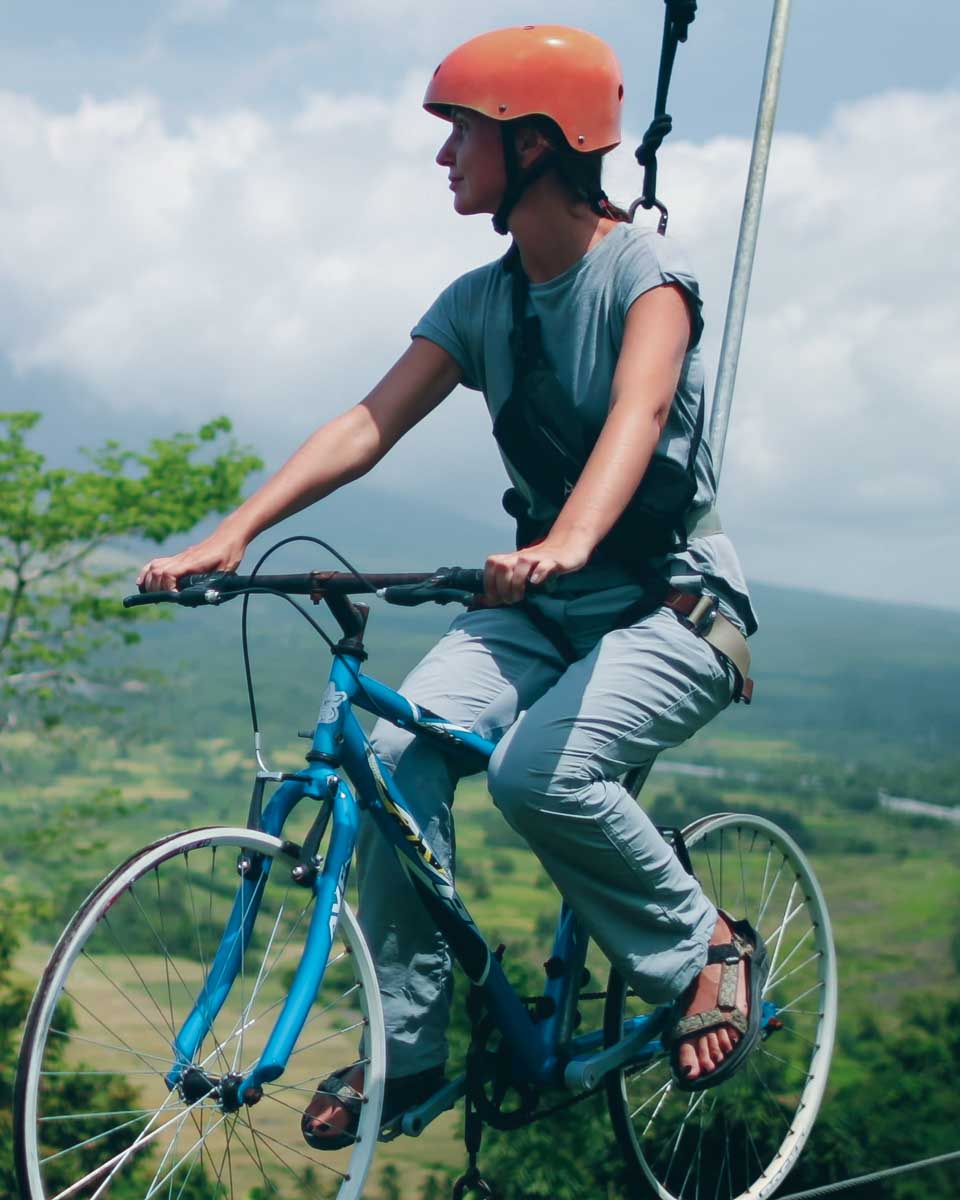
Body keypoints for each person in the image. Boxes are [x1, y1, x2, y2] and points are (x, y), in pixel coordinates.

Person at [139, 24, 766, 1146]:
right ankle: (413, 1051)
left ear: (535, 144)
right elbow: (370, 423)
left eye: (461, 136)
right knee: (387, 756)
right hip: (539, 604)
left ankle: (700, 949)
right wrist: (227, 536)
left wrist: (569, 540)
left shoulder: (646, 279)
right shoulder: (483, 300)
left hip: (672, 605)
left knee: (541, 775)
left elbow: (638, 418)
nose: (444, 161)